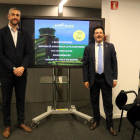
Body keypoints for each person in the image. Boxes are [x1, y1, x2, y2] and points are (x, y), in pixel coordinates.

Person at [0, 7, 32, 138]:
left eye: (17, 15)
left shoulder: (24, 34)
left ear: (19, 17)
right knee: (6, 101)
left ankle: (21, 122)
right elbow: (0, 54)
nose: (15, 17)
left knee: (20, 99)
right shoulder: (1, 33)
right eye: (13, 14)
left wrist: (23, 67)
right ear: (8, 16)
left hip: (21, 74)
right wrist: (13, 68)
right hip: (6, 74)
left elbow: (28, 53)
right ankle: (7, 126)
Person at [83, 26, 118, 136]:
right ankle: (96, 121)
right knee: (94, 102)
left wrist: (115, 78)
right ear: (93, 35)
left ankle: (110, 125)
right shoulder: (88, 48)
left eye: (100, 33)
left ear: (104, 35)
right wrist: (85, 79)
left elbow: (114, 63)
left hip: (106, 79)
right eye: (96, 33)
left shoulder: (110, 47)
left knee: (108, 103)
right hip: (93, 79)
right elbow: (85, 65)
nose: (98, 34)